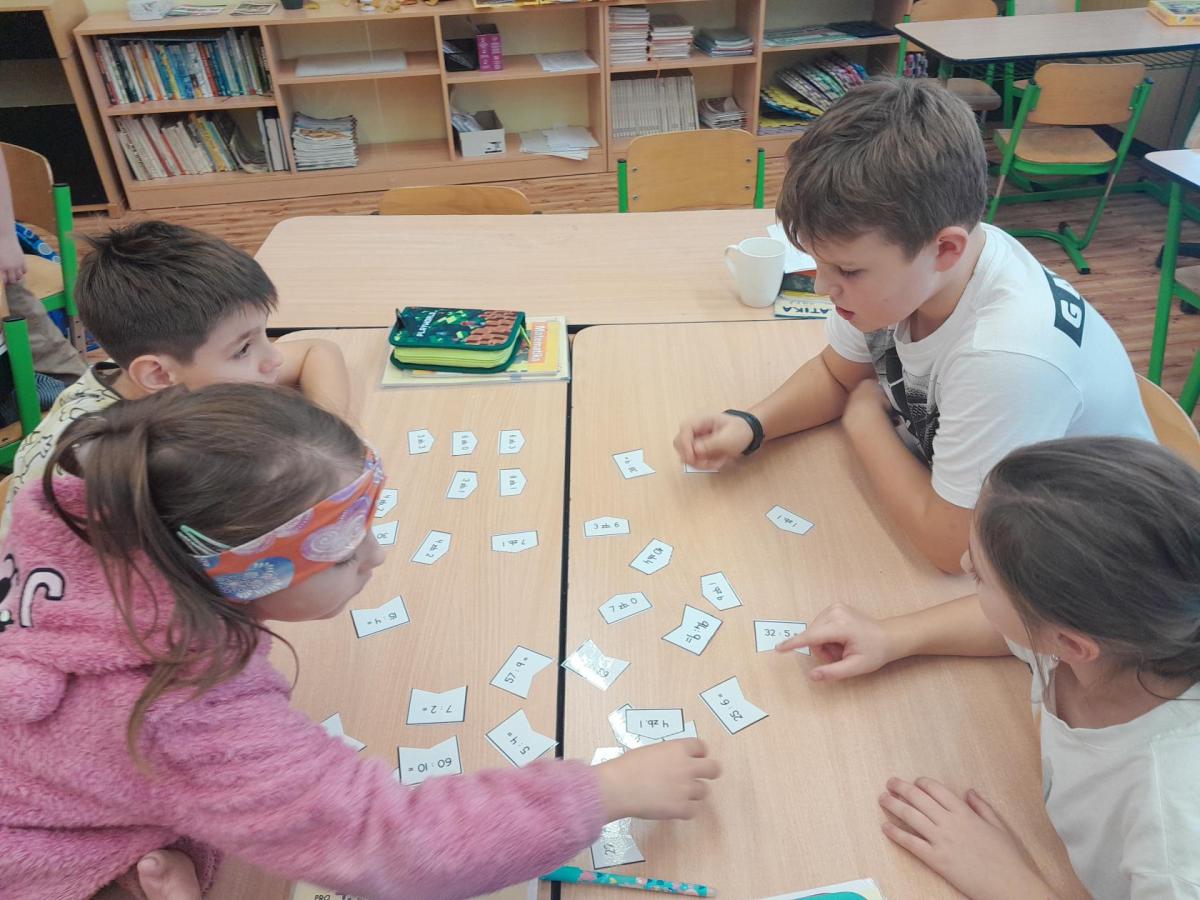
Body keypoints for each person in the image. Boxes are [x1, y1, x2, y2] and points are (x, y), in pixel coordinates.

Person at [0, 383, 721, 899]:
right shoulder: (184, 714)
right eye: (346, 554)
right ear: (240, 572)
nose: (377, 555)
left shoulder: (99, 521)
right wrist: (603, 791)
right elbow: (389, 843)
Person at [674, 77, 1154, 573]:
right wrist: (752, 425)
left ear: (945, 248)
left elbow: (952, 549)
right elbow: (839, 374)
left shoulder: (1005, 357)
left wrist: (864, 422)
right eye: (819, 263)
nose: (822, 288)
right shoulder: (918, 267)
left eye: (847, 270)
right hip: (995, 510)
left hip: (1094, 565)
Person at [778, 437, 1200, 899]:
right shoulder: (1125, 635)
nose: (962, 563)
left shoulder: (1172, 829)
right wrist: (894, 635)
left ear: (1070, 643)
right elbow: (1014, 628)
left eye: (979, 574)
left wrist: (1006, 881)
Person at [0, 220, 350, 540]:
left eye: (264, 333)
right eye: (244, 348)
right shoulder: (121, 467)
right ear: (157, 374)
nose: (273, 359)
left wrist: (332, 442)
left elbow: (317, 351)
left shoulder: (154, 373)